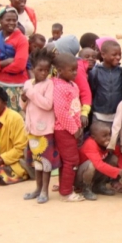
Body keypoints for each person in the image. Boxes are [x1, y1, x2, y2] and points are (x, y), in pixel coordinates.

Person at [21, 51, 58, 204]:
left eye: (46, 70)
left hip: (45, 130)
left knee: (46, 162)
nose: (43, 73)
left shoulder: (49, 84)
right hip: (32, 129)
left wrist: (30, 94)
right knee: (37, 161)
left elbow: (48, 104)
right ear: (33, 69)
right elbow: (23, 107)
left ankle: (44, 190)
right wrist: (23, 99)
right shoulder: (28, 83)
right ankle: (37, 188)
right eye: (40, 70)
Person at [52, 53, 84, 202]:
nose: (75, 73)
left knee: (66, 161)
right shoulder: (58, 87)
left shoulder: (73, 85)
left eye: (76, 70)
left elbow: (76, 108)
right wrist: (74, 129)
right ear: (59, 69)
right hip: (64, 130)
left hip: (73, 128)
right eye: (71, 70)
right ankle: (66, 192)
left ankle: (63, 185)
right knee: (71, 160)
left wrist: (79, 126)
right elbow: (61, 112)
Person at [0, 7, 29, 114]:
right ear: (0, 21)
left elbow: (19, 66)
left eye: (14, 20)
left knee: (16, 121)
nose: (11, 23)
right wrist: (5, 62)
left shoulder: (22, 39)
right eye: (8, 20)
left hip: (17, 87)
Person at [77, 121, 122, 201]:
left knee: (114, 158)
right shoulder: (90, 144)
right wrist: (119, 171)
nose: (108, 138)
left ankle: (99, 186)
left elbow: (119, 154)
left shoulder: (107, 143)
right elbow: (99, 165)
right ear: (93, 137)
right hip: (81, 176)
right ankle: (85, 189)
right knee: (91, 165)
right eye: (104, 136)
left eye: (109, 135)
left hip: (95, 173)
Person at [52, 35, 92, 129]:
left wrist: (84, 112)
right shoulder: (61, 67)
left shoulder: (76, 71)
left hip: (72, 118)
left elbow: (86, 92)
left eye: (57, 50)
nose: (54, 52)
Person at [88, 40, 122, 124]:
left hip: (118, 115)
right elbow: (92, 91)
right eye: (114, 54)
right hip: (99, 115)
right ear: (103, 55)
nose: (118, 57)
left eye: (120, 54)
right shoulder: (95, 72)